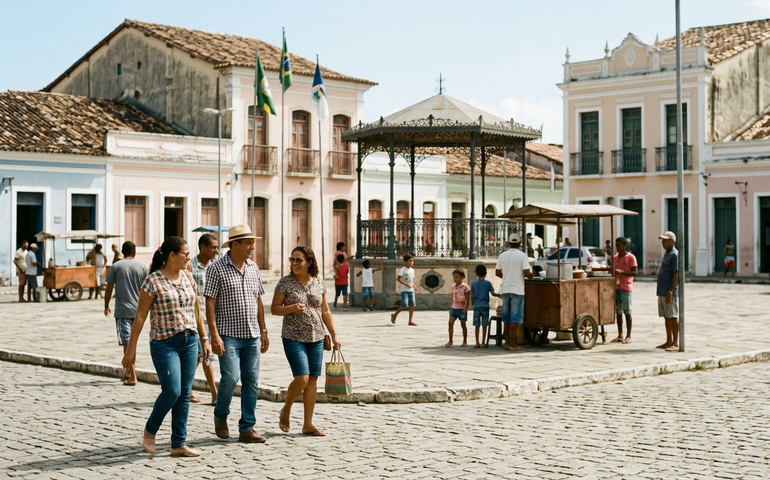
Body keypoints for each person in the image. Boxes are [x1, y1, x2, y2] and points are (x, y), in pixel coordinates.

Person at [121, 237, 211, 457]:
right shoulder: (152, 281)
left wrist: (205, 339)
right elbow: (140, 316)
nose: (189, 258)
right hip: (164, 343)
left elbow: (197, 310)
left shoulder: (189, 276)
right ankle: (151, 429)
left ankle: (178, 444)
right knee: (172, 390)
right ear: (172, 256)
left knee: (184, 393)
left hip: (190, 342)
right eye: (185, 254)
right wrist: (131, 350)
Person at [205, 225, 268, 444]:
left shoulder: (253, 268)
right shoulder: (217, 268)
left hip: (252, 334)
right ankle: (220, 416)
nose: (252, 247)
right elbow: (209, 302)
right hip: (227, 335)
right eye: (248, 242)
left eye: (253, 242)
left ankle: (247, 428)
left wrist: (264, 329)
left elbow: (258, 300)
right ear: (235, 244)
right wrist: (214, 334)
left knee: (252, 381)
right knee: (231, 378)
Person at [272, 246, 342, 437]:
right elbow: (275, 308)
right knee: (302, 377)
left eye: (298, 260)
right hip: (293, 336)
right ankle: (286, 409)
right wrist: (291, 308)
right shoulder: (285, 283)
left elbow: (326, 310)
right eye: (292, 259)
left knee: (312, 380)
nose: (294, 263)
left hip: (317, 336)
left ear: (309, 262)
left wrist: (334, 334)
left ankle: (308, 424)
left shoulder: (319, 282)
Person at [104, 241, 148, 386]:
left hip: (123, 311)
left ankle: (132, 376)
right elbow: (147, 289)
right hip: (139, 311)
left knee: (127, 343)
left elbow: (109, 289)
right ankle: (129, 372)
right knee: (132, 342)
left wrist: (106, 305)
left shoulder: (116, 266)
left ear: (122, 252)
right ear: (135, 252)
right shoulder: (142, 267)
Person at [189, 233, 219, 405]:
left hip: (213, 318)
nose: (216, 250)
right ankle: (214, 393)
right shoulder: (191, 266)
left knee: (201, 356)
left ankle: (186, 388)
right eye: (213, 247)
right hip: (196, 318)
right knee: (204, 356)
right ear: (203, 248)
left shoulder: (216, 266)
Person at [495, 233, 534, 351]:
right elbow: (527, 273)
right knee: (515, 318)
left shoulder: (502, 256)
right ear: (520, 243)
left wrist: (507, 277)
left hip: (506, 289)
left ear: (508, 243)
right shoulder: (522, 256)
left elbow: (497, 273)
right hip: (517, 290)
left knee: (506, 318)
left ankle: (507, 342)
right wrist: (532, 275)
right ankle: (513, 344)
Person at [611, 237, 637, 344]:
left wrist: (621, 272)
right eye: (616, 245)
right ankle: (620, 334)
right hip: (616, 288)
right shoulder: (615, 258)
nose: (617, 248)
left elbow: (635, 272)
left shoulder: (631, 257)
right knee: (618, 312)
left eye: (619, 245)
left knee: (627, 312)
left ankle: (628, 335)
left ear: (625, 245)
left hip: (626, 288)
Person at [656, 231, 679, 352]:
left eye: (665, 241)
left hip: (669, 291)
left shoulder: (674, 254)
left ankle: (675, 342)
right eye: (662, 241)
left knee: (673, 316)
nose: (663, 243)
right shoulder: (667, 254)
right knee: (666, 316)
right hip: (662, 290)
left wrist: (670, 291)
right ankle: (668, 340)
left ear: (671, 241)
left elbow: (676, 274)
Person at [470, 264, 501, 348]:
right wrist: (499, 295)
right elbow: (493, 293)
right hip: (485, 306)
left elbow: (472, 295)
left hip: (476, 305)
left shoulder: (473, 283)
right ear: (486, 273)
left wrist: (472, 302)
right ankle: (483, 342)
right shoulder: (488, 283)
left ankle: (477, 342)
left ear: (476, 273)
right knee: (484, 324)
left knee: (476, 324)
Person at [391, 254, 419, 326]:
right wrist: (406, 284)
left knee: (412, 305)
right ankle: (394, 315)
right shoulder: (403, 270)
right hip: (404, 290)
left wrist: (414, 286)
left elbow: (411, 280)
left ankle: (410, 321)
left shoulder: (412, 270)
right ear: (405, 262)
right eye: (410, 261)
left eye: (412, 261)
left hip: (411, 290)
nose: (412, 262)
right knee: (404, 305)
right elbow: (398, 279)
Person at [445, 269, 470, 347]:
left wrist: (465, 308)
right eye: (454, 277)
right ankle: (450, 340)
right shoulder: (452, 287)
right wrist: (451, 307)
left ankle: (465, 341)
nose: (455, 279)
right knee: (450, 323)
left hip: (462, 308)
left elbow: (467, 298)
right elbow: (452, 297)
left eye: (457, 277)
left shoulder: (465, 287)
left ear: (462, 277)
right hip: (454, 308)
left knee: (463, 324)